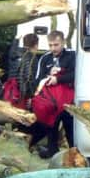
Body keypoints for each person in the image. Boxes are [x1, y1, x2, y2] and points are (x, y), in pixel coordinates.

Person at [33, 30, 75, 158]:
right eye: (50, 45)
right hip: (51, 100)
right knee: (51, 127)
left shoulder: (72, 56)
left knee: (71, 128)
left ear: (63, 42)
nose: (53, 48)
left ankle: (75, 153)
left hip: (69, 100)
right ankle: (52, 152)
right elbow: (37, 78)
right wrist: (48, 75)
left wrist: (59, 78)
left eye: (56, 45)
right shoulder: (45, 58)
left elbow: (77, 74)